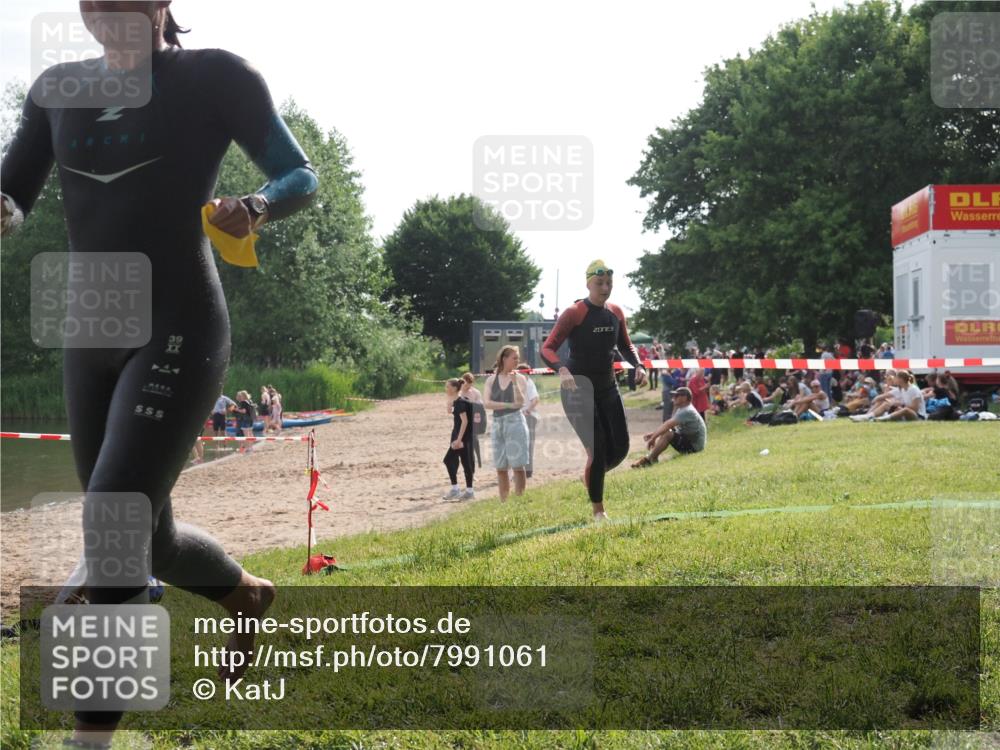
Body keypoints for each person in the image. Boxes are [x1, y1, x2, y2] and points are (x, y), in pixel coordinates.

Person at [0, 3, 319, 743]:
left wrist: (259, 205)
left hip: (180, 317)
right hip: (90, 326)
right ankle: (243, 594)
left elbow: (300, 171)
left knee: (114, 518)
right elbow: (13, 190)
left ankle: (93, 739)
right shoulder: (54, 87)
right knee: (150, 536)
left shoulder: (214, 75)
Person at [540, 260, 647, 521]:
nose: (605, 287)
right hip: (578, 389)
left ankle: (591, 473)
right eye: (599, 283)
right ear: (588, 283)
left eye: (609, 283)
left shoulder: (616, 313)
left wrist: (639, 365)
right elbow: (547, 348)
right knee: (598, 449)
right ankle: (599, 511)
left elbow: (626, 345)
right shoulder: (574, 312)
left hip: (608, 387)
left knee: (621, 448)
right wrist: (562, 370)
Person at [483, 346, 530, 501]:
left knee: (518, 465)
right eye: (514, 358)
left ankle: (519, 500)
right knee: (500, 467)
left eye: (517, 358)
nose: (517, 361)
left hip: (515, 422)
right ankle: (504, 501)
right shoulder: (491, 379)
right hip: (497, 424)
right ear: (504, 358)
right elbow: (487, 403)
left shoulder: (520, 378)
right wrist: (508, 405)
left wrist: (515, 383)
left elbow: (520, 402)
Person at [632, 387, 706, 467]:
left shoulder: (687, 411)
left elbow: (667, 424)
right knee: (668, 431)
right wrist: (654, 434)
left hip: (694, 447)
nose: (673, 398)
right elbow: (670, 424)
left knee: (668, 433)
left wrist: (653, 438)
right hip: (692, 442)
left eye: (676, 396)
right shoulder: (682, 409)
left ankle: (650, 459)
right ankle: (652, 458)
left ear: (684, 398)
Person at [442, 378, 475, 500]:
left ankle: (468, 491)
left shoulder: (461, 403)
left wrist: (459, 439)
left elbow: (465, 422)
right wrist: (449, 403)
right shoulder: (457, 401)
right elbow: (449, 412)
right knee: (453, 461)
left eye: (448, 386)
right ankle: (457, 489)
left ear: (454, 388)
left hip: (462, 437)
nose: (446, 389)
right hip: (458, 436)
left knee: (459, 462)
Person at [460, 373, 485, 469]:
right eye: (466, 384)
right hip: (462, 420)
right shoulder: (459, 392)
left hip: (472, 420)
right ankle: (469, 463)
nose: (467, 386)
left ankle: (478, 460)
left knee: (474, 440)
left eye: (470, 384)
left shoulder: (476, 392)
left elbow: (480, 407)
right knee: (465, 445)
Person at [521, 373, 540, 479]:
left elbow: (535, 399)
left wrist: (527, 410)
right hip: (521, 416)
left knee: (528, 444)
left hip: (529, 416)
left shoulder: (528, 383)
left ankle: (528, 471)